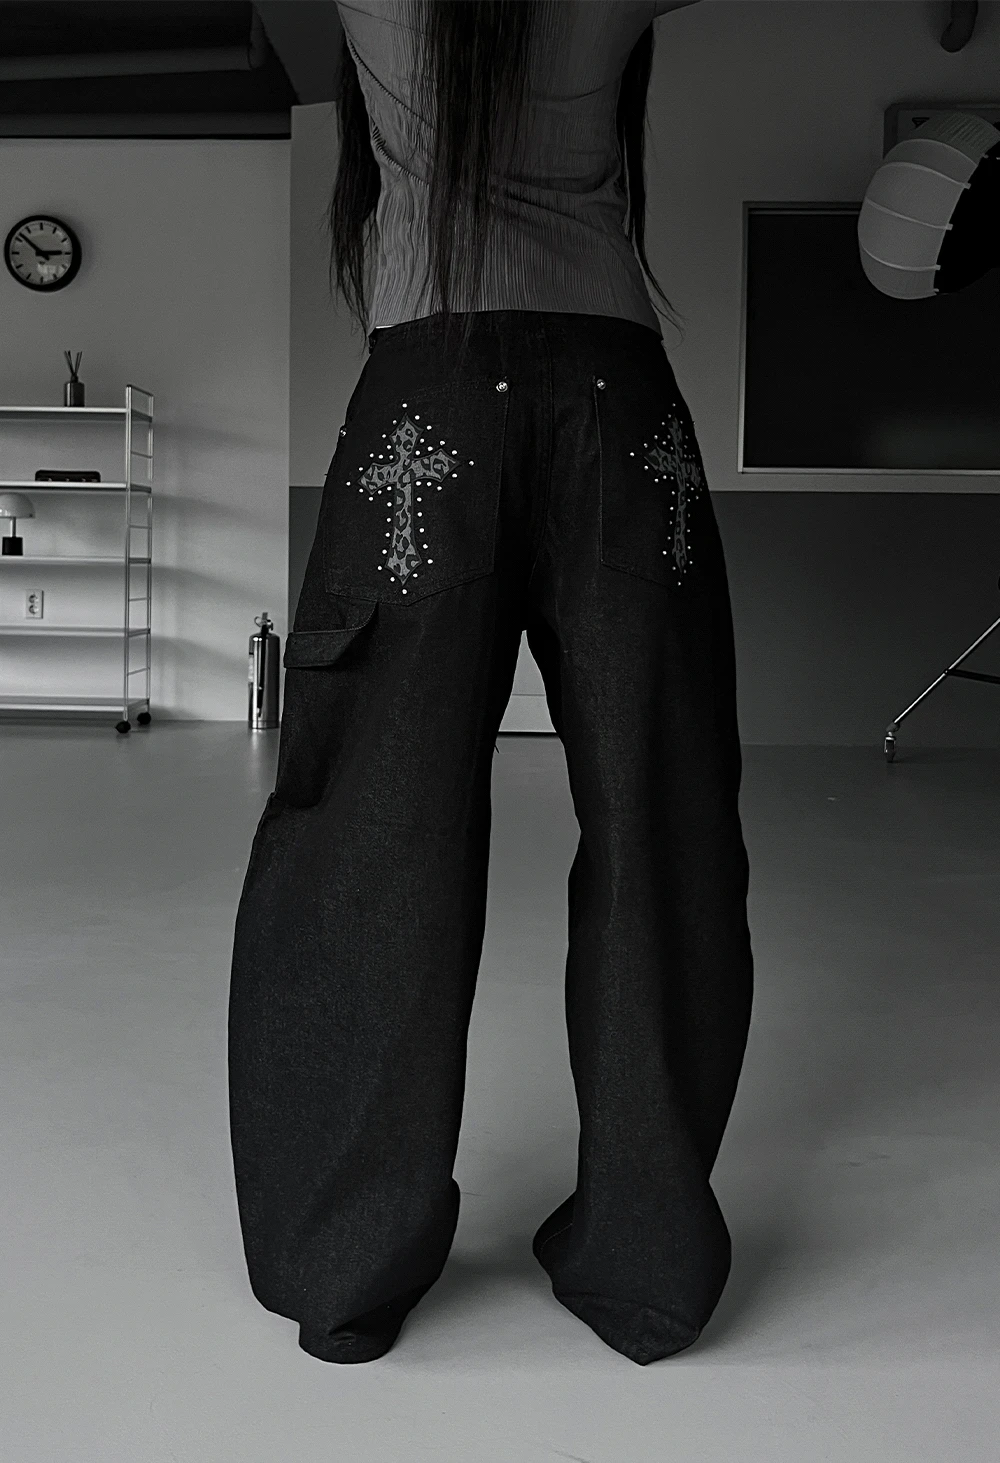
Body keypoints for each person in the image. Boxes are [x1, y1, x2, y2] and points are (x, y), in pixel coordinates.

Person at [227, 0, 754, 1369]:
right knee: (663, 824)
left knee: (366, 830)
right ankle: (645, 1271)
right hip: (619, 404)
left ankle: (343, 1266)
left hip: (429, 393)